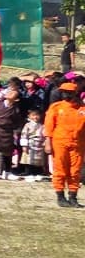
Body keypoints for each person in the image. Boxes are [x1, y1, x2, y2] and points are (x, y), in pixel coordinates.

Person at [46, 81, 84, 209]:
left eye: (68, 92)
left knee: (75, 171)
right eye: (64, 92)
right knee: (60, 169)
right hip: (59, 142)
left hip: (77, 143)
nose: (65, 95)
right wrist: (47, 142)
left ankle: (73, 197)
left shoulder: (82, 108)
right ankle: (60, 196)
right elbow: (49, 126)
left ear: (75, 93)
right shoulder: (56, 107)